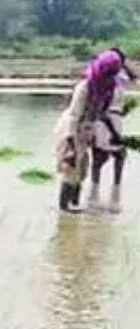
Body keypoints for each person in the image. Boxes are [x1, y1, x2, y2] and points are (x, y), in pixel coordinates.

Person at [56, 50, 126, 212]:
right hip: (71, 129)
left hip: (88, 128)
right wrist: (71, 147)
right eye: (107, 73)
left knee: (82, 169)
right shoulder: (85, 87)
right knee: (71, 167)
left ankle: (75, 203)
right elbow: (74, 117)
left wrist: (115, 135)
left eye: (112, 74)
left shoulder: (108, 89)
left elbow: (103, 114)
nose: (109, 77)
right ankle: (64, 207)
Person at [90, 49, 136, 209]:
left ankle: (103, 194)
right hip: (105, 119)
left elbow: (133, 77)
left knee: (115, 156)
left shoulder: (117, 79)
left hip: (114, 118)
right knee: (104, 156)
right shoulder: (105, 79)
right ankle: (101, 195)